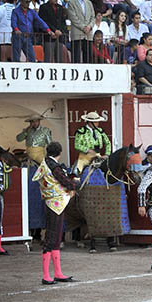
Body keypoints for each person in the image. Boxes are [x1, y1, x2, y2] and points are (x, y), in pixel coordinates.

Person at [32, 142, 80, 285]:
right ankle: (46, 275)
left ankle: (57, 273)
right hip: (55, 203)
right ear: (59, 153)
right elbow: (63, 179)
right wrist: (74, 185)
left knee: (56, 236)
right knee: (52, 237)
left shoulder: (45, 163)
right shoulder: (54, 166)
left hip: (52, 202)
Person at [73, 111, 111, 175]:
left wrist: (107, 154)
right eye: (96, 122)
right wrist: (87, 150)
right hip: (85, 157)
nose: (98, 124)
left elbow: (108, 142)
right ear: (90, 122)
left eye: (98, 122)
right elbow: (77, 145)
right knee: (77, 174)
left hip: (98, 156)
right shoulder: (81, 131)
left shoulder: (100, 131)